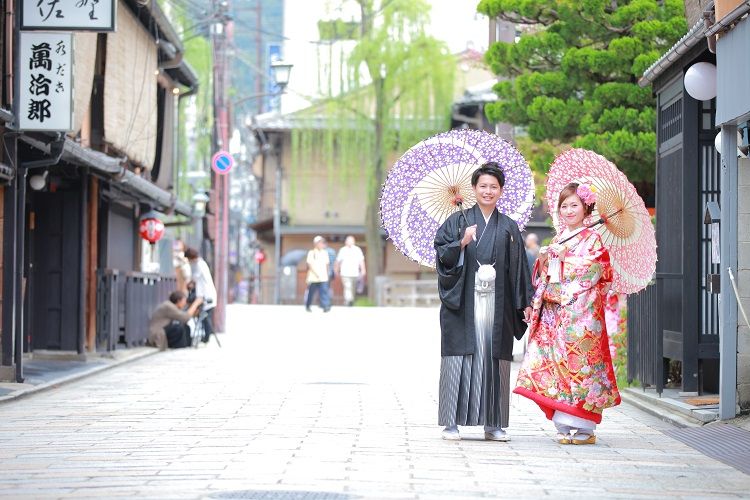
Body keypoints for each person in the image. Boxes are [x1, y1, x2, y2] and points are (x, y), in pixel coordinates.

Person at [514, 182, 621, 445]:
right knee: (557, 365)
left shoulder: (593, 239)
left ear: (586, 208)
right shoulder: (561, 237)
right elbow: (545, 276)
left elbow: (598, 270)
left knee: (582, 365)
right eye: (564, 206)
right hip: (556, 314)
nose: (569, 210)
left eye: (574, 205)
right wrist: (545, 258)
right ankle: (563, 423)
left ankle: (585, 428)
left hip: (582, 318)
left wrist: (566, 260)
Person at [434, 162, 534, 442]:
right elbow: (442, 255)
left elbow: (519, 269)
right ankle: (451, 422)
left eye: (493, 186)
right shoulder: (458, 221)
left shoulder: (510, 227)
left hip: (497, 305)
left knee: (494, 359)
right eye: (483, 186)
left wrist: (524, 301)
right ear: (474, 189)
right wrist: (461, 243)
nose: (488, 191)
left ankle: (494, 423)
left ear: (501, 191)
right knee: (458, 359)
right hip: (464, 302)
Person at [185, 247, 218, 342]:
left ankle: (206, 337)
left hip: (206, 296)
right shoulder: (198, 264)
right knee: (204, 317)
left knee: (205, 317)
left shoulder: (200, 264)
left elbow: (195, 278)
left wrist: (190, 283)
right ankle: (206, 337)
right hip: (204, 295)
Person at [335, 236, 366, 307]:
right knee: (347, 286)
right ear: (346, 242)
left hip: (355, 273)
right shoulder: (342, 250)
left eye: (351, 241)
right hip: (345, 273)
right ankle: (348, 300)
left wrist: (363, 270)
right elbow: (338, 261)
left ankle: (350, 300)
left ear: (354, 242)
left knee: (353, 288)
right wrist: (336, 270)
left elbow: (361, 261)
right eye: (348, 241)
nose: (349, 242)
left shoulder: (357, 250)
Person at [305, 236, 331, 312]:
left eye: (322, 242)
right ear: (315, 244)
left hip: (323, 277)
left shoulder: (325, 252)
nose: (321, 244)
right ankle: (308, 305)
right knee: (311, 293)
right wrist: (315, 273)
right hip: (314, 277)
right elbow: (309, 264)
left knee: (324, 292)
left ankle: (325, 306)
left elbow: (327, 264)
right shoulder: (311, 252)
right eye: (319, 242)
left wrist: (327, 273)